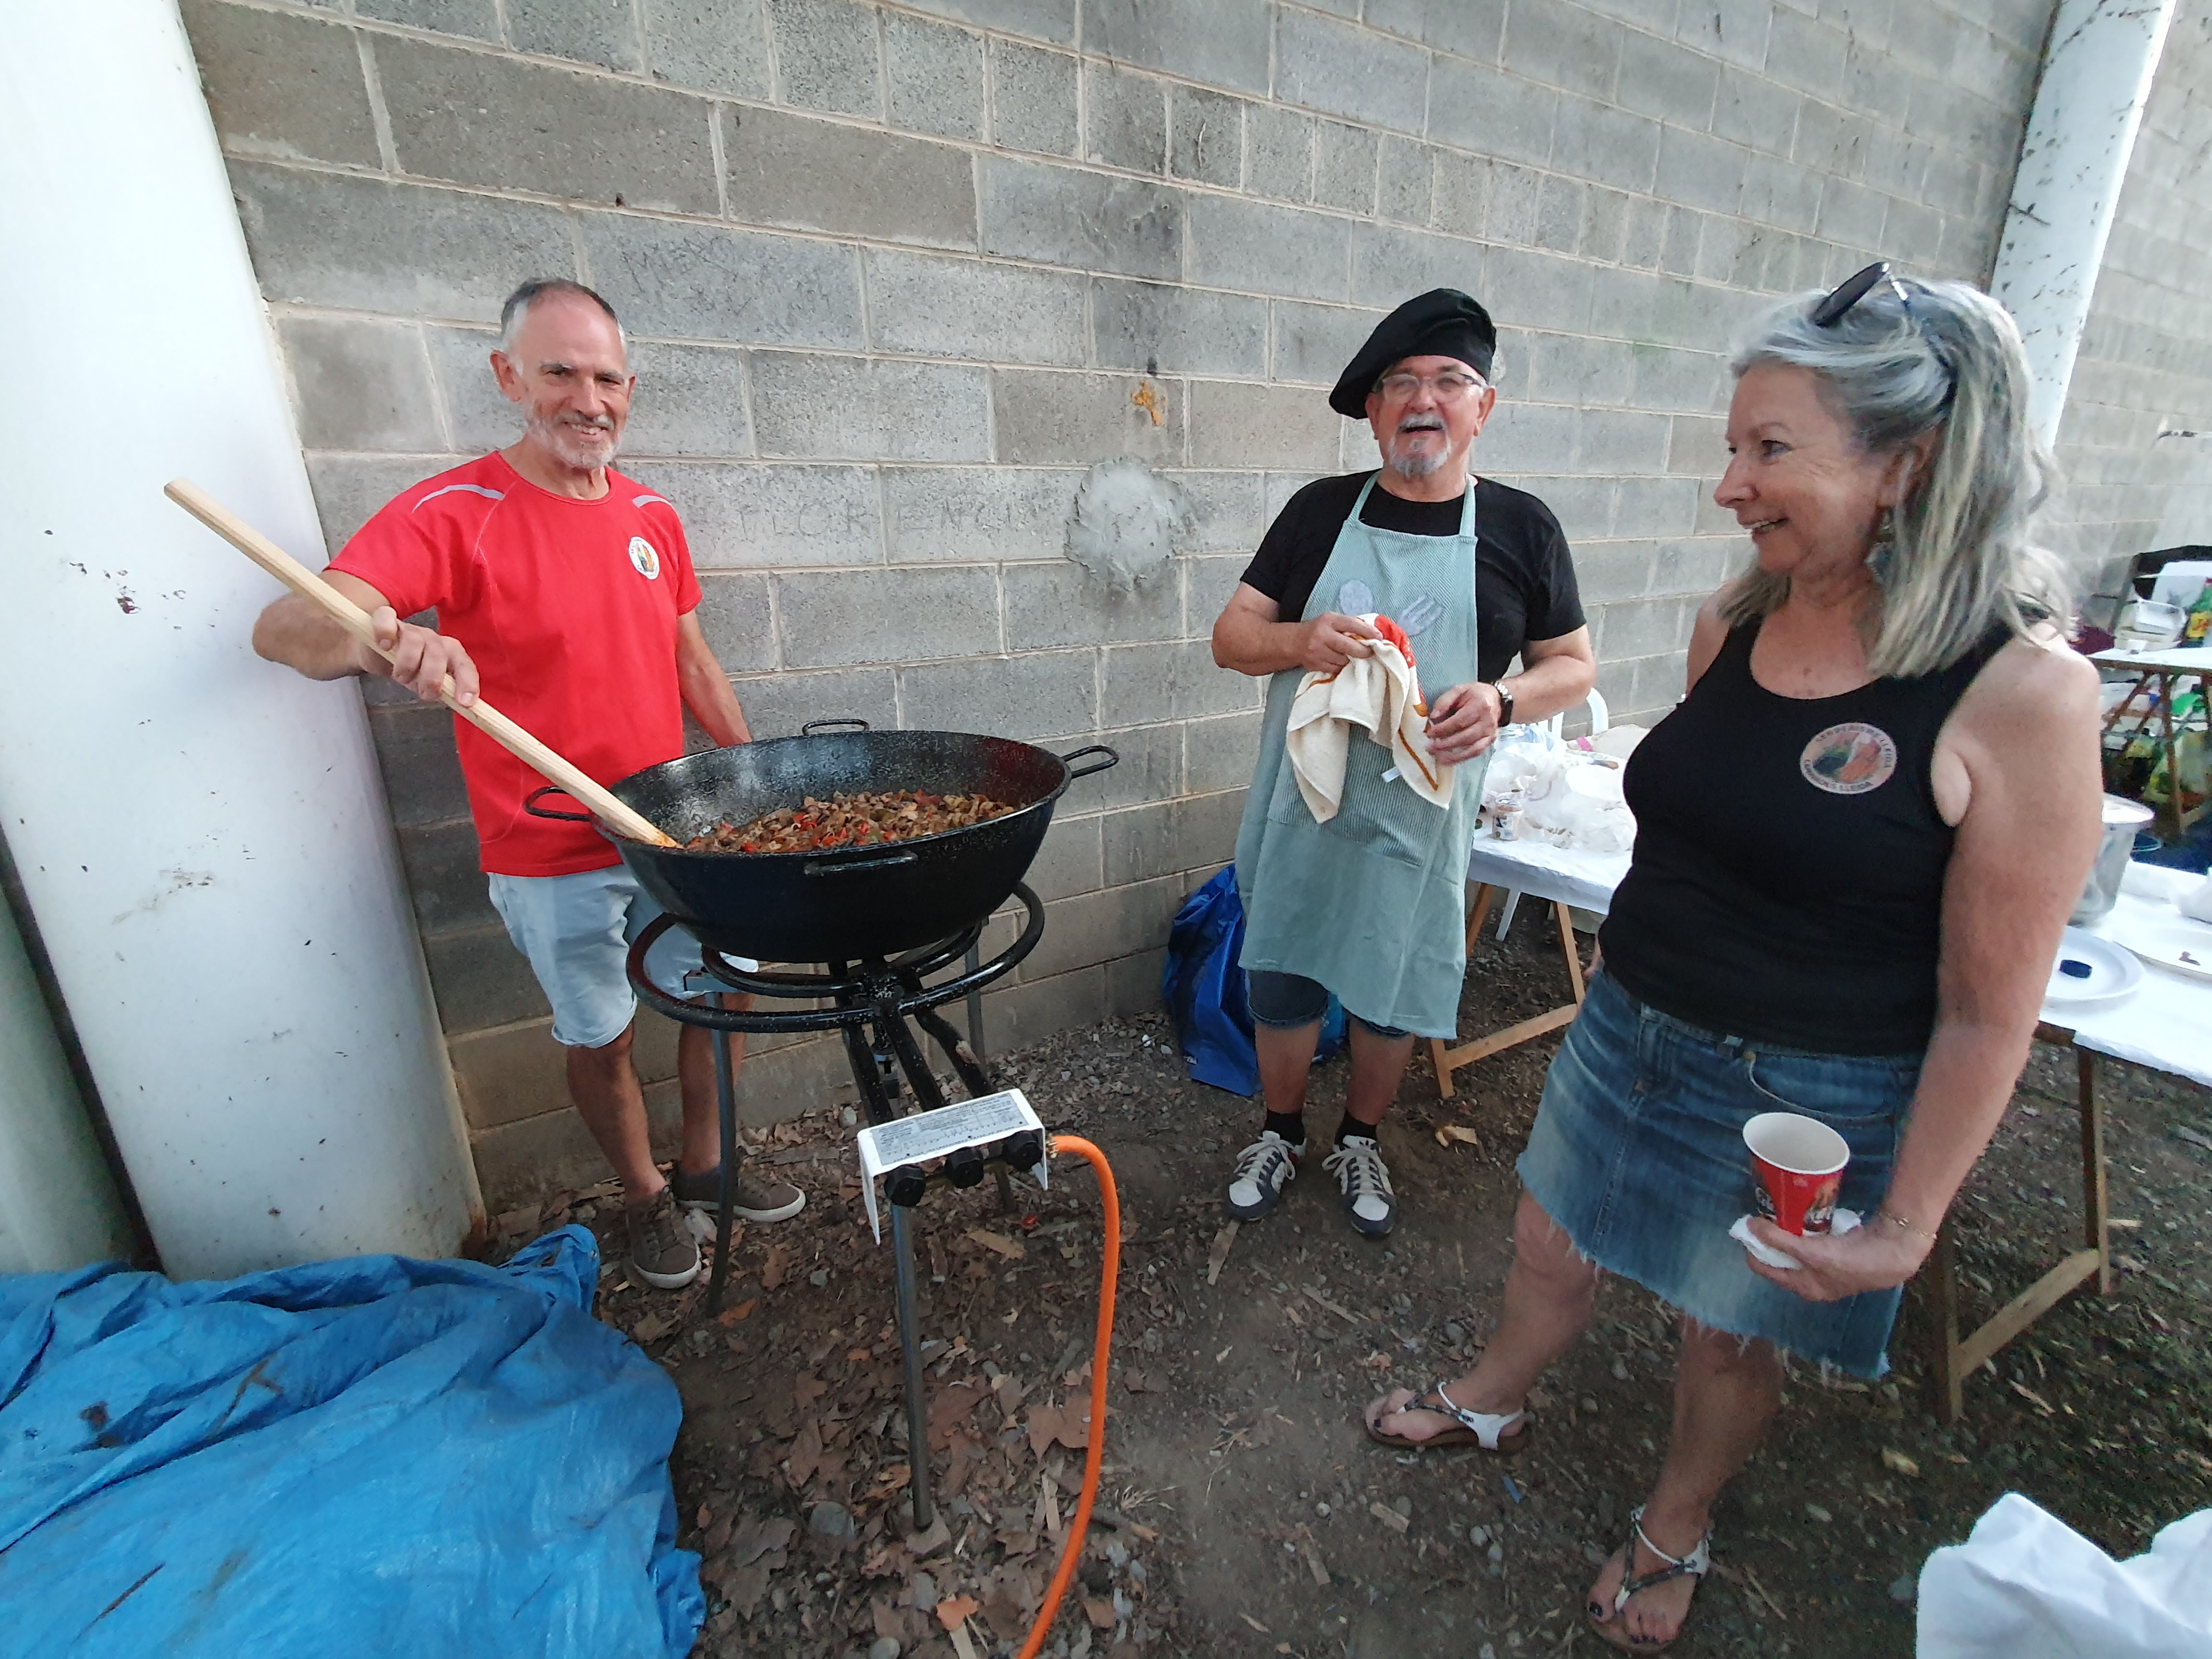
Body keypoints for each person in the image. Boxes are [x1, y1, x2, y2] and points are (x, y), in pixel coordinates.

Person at [1359, 266, 2102, 1653]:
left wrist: (1906, 1225)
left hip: (1805, 1090)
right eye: (1731, 446)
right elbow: (1709, 832)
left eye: (1770, 450)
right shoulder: (1736, 620)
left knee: (1725, 1327)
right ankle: (1494, 1395)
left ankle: (1676, 1523)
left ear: (1907, 464)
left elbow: (1986, 1011)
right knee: (1547, 1235)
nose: (1728, 487)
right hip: (1630, 1021)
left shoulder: (2023, 696)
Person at [253, 277, 804, 1291]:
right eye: (560, 373)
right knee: (602, 1034)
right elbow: (285, 628)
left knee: (719, 998)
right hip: (550, 847)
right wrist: (381, 645)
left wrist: (758, 781)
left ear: (629, 390)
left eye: (608, 379)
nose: (588, 401)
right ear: (509, 377)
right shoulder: (453, 514)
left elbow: (693, 663)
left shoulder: (653, 515)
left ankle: (708, 1167)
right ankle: (643, 1196)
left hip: (674, 829)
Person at [1211, 289, 1597, 1238]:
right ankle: (1281, 1130)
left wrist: (1502, 701)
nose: (1424, 400)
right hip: (1305, 805)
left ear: (1483, 408)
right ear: (1375, 411)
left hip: (1422, 813)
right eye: (1400, 383)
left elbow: (1574, 667)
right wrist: (1300, 640)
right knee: (1285, 971)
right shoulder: (1319, 511)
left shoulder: (1523, 529)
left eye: (1449, 381)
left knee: (1390, 988)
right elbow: (1231, 638)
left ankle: (1361, 1137)